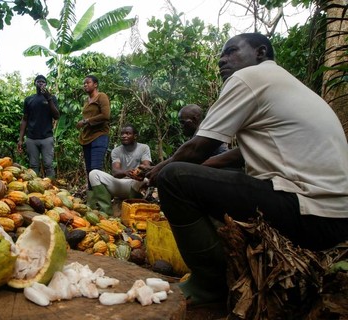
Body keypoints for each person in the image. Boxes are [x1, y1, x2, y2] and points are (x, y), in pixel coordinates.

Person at [146, 33, 348, 306]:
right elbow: (242, 154)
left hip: (306, 211)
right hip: (336, 219)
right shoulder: (286, 84)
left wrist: (160, 169)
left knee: (174, 178)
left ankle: (210, 284)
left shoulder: (248, 78)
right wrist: (206, 169)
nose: (222, 59)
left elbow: (199, 147)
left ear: (260, 52)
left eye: (231, 52)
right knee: (198, 174)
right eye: (221, 54)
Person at [87, 124, 152, 215]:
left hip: (135, 184)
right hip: (119, 184)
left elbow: (146, 166)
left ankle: (131, 211)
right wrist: (126, 172)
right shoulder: (116, 151)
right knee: (93, 173)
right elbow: (115, 172)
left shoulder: (144, 148)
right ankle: (106, 211)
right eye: (122, 134)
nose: (124, 136)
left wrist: (138, 173)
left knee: (144, 180)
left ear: (135, 136)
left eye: (128, 133)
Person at [17, 75, 60, 178]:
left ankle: (52, 189)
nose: (41, 83)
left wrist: (49, 99)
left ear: (46, 84)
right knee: (33, 166)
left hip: (47, 137)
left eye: (43, 82)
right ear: (35, 83)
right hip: (32, 138)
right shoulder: (29, 99)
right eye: (38, 81)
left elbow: (57, 116)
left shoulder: (52, 98)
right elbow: (25, 119)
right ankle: (35, 189)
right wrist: (20, 139)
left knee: (49, 165)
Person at [76, 75, 111, 189]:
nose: (85, 85)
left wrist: (86, 121)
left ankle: (100, 199)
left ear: (95, 84)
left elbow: (106, 115)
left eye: (88, 82)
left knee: (95, 169)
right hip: (87, 138)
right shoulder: (87, 101)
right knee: (89, 170)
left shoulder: (101, 96)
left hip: (99, 136)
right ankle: (91, 198)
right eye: (84, 83)